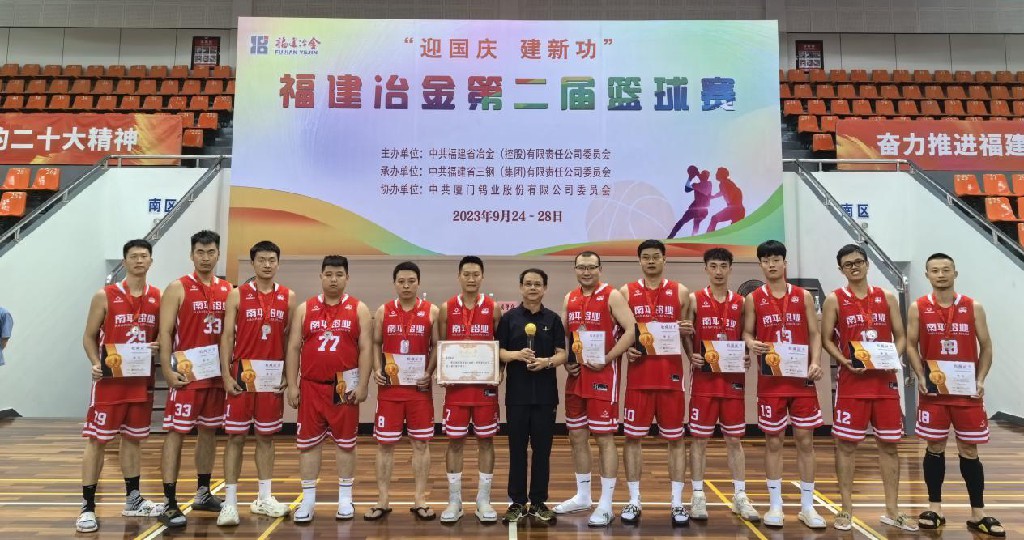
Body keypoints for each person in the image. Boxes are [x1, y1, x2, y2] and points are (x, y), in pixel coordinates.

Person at [820, 244, 917, 531]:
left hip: (884, 383)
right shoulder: (834, 299)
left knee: (889, 446)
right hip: (852, 385)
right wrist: (843, 361)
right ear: (841, 269)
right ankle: (846, 510)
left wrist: (891, 356)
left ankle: (892, 510)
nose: (854, 267)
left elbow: (901, 336)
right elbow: (826, 339)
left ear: (867, 264)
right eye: (848, 264)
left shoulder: (886, 297)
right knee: (846, 446)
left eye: (858, 262)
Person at [907, 253, 1003, 537]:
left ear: (955, 273)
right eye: (935, 270)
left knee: (969, 450)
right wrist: (920, 375)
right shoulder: (918, 307)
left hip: (966, 393)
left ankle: (978, 514)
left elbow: (986, 346)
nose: (941, 274)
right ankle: (935, 509)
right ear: (927, 275)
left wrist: (981, 379)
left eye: (946, 270)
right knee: (934, 447)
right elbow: (911, 345)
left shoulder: (973, 307)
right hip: (934, 392)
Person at [76, 239, 163, 533]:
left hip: (140, 381)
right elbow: (88, 336)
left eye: (144, 256)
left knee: (133, 440)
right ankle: (87, 507)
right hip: (109, 383)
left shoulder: (158, 297)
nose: (139, 260)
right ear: (124, 262)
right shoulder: (105, 295)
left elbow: (163, 336)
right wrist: (94, 362)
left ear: (151, 261)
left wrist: (157, 344)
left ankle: (133, 499)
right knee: (97, 441)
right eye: (133, 256)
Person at [742, 240, 826, 529]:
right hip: (770, 382)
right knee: (773, 441)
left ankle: (808, 507)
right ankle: (775, 505)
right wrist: (751, 343)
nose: (772, 264)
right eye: (766, 260)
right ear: (761, 265)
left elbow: (814, 333)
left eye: (776, 259)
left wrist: (816, 362)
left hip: (801, 380)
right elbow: (747, 332)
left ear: (784, 262)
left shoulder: (803, 296)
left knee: (805, 440)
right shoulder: (754, 298)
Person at [553, 251, 636, 527]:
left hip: (603, 376)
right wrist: (568, 361)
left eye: (591, 267)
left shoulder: (612, 295)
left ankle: (606, 503)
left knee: (603, 438)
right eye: (581, 267)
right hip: (577, 377)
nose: (586, 272)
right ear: (575, 269)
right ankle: (583, 496)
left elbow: (631, 330)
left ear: (600, 268)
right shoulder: (569, 297)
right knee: (577, 435)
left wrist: (609, 357)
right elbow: (565, 335)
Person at [286, 256, 372, 523]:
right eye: (328, 274)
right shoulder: (305, 308)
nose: (333, 279)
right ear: (321, 276)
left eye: (339, 274)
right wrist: (292, 384)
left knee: (346, 444)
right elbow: (293, 347)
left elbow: (366, 348)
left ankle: (345, 499)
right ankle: (308, 501)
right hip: (311, 386)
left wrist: (363, 384)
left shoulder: (359, 308)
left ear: (347, 277)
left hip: (344, 386)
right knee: (308, 445)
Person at [157, 230, 232, 527]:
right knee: (176, 433)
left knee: (209, 432)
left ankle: (203, 492)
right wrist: (167, 369)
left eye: (211, 252)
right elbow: (165, 333)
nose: (205, 258)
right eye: (200, 252)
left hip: (215, 375)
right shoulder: (177, 287)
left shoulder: (228, 289)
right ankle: (169, 501)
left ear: (218, 254)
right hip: (187, 375)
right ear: (191, 255)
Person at [217, 240, 295, 525]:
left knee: (266, 437)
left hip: (271, 377)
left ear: (278, 263)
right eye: (261, 259)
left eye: (272, 260)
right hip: (242, 374)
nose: (267, 264)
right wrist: (226, 375)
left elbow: (289, 339)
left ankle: (264, 497)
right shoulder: (237, 294)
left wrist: (287, 373)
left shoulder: (288, 296)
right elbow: (227, 336)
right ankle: (230, 503)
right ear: (253, 263)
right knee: (235, 437)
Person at [620, 240, 691, 526]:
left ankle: (677, 503)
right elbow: (621, 332)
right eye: (646, 257)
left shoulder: (681, 291)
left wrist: (688, 332)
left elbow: (688, 334)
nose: (651, 261)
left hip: (671, 377)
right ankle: (634, 500)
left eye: (656, 257)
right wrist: (627, 348)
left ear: (664, 259)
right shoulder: (626, 292)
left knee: (676, 440)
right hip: (639, 377)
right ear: (639, 261)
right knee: (632, 438)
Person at [687, 247, 760, 523]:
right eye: (713, 266)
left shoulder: (742, 302)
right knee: (699, 439)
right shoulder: (694, 299)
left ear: (730, 268)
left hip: (732, 381)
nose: (718, 271)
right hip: (703, 382)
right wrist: (690, 354)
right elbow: (686, 332)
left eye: (723, 266)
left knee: (734, 439)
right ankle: (697, 495)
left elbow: (748, 334)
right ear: (706, 268)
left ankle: (740, 495)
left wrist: (747, 354)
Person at [364, 261, 439, 522]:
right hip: (390, 390)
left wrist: (429, 372)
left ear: (418, 283)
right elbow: (375, 343)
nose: (406, 286)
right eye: (401, 281)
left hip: (419, 390)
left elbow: (437, 345)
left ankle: (420, 499)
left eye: (411, 281)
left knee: (421, 443)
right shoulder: (384, 310)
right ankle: (382, 500)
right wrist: (377, 368)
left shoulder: (431, 311)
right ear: (394, 283)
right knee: (385, 445)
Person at [497, 268, 566, 525]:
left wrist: (546, 362)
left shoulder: (553, 319)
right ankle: (517, 502)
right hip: (517, 396)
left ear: (545, 288)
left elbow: (562, 354)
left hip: (546, 397)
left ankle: (538, 502)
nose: (533, 288)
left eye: (538, 284)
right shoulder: (509, 319)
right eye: (528, 284)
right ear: (521, 287)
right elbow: (499, 351)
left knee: (542, 451)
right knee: (516, 450)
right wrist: (517, 355)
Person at [438, 256, 503, 523]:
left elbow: (499, 346)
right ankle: (454, 501)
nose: (471, 279)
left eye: (476, 274)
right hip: (456, 389)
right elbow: (441, 344)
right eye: (466, 274)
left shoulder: (493, 308)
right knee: (455, 442)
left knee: (486, 441)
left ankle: (483, 500)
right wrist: (441, 369)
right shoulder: (447, 308)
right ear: (459, 276)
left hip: (485, 388)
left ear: (482, 277)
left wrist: (500, 371)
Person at [668, 167, 714, 239]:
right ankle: (670, 237)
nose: (702, 175)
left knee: (696, 223)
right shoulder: (696, 184)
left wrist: (697, 175)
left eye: (704, 175)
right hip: (694, 208)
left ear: (707, 177)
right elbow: (687, 189)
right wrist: (690, 178)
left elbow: (705, 191)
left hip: (702, 209)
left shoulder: (708, 184)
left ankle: (693, 238)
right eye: (702, 174)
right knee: (681, 222)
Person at [706, 167, 746, 233]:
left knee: (714, 219)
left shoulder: (723, 183)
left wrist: (728, 199)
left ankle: (708, 236)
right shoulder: (729, 183)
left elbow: (729, 197)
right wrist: (712, 197)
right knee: (734, 231)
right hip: (741, 210)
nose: (715, 175)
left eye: (717, 173)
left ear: (721, 174)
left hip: (734, 209)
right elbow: (721, 193)